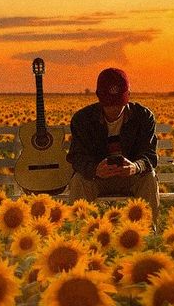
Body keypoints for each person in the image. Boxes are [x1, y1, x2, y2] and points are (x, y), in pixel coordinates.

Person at [67, 67, 160, 227]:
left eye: (119, 103)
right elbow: (76, 156)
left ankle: (147, 232)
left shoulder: (144, 117)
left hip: (130, 178)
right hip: (97, 179)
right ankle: (79, 234)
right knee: (78, 180)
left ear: (128, 96)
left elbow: (150, 155)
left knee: (149, 178)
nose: (114, 108)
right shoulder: (82, 119)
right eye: (109, 104)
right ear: (99, 98)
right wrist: (95, 169)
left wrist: (135, 167)